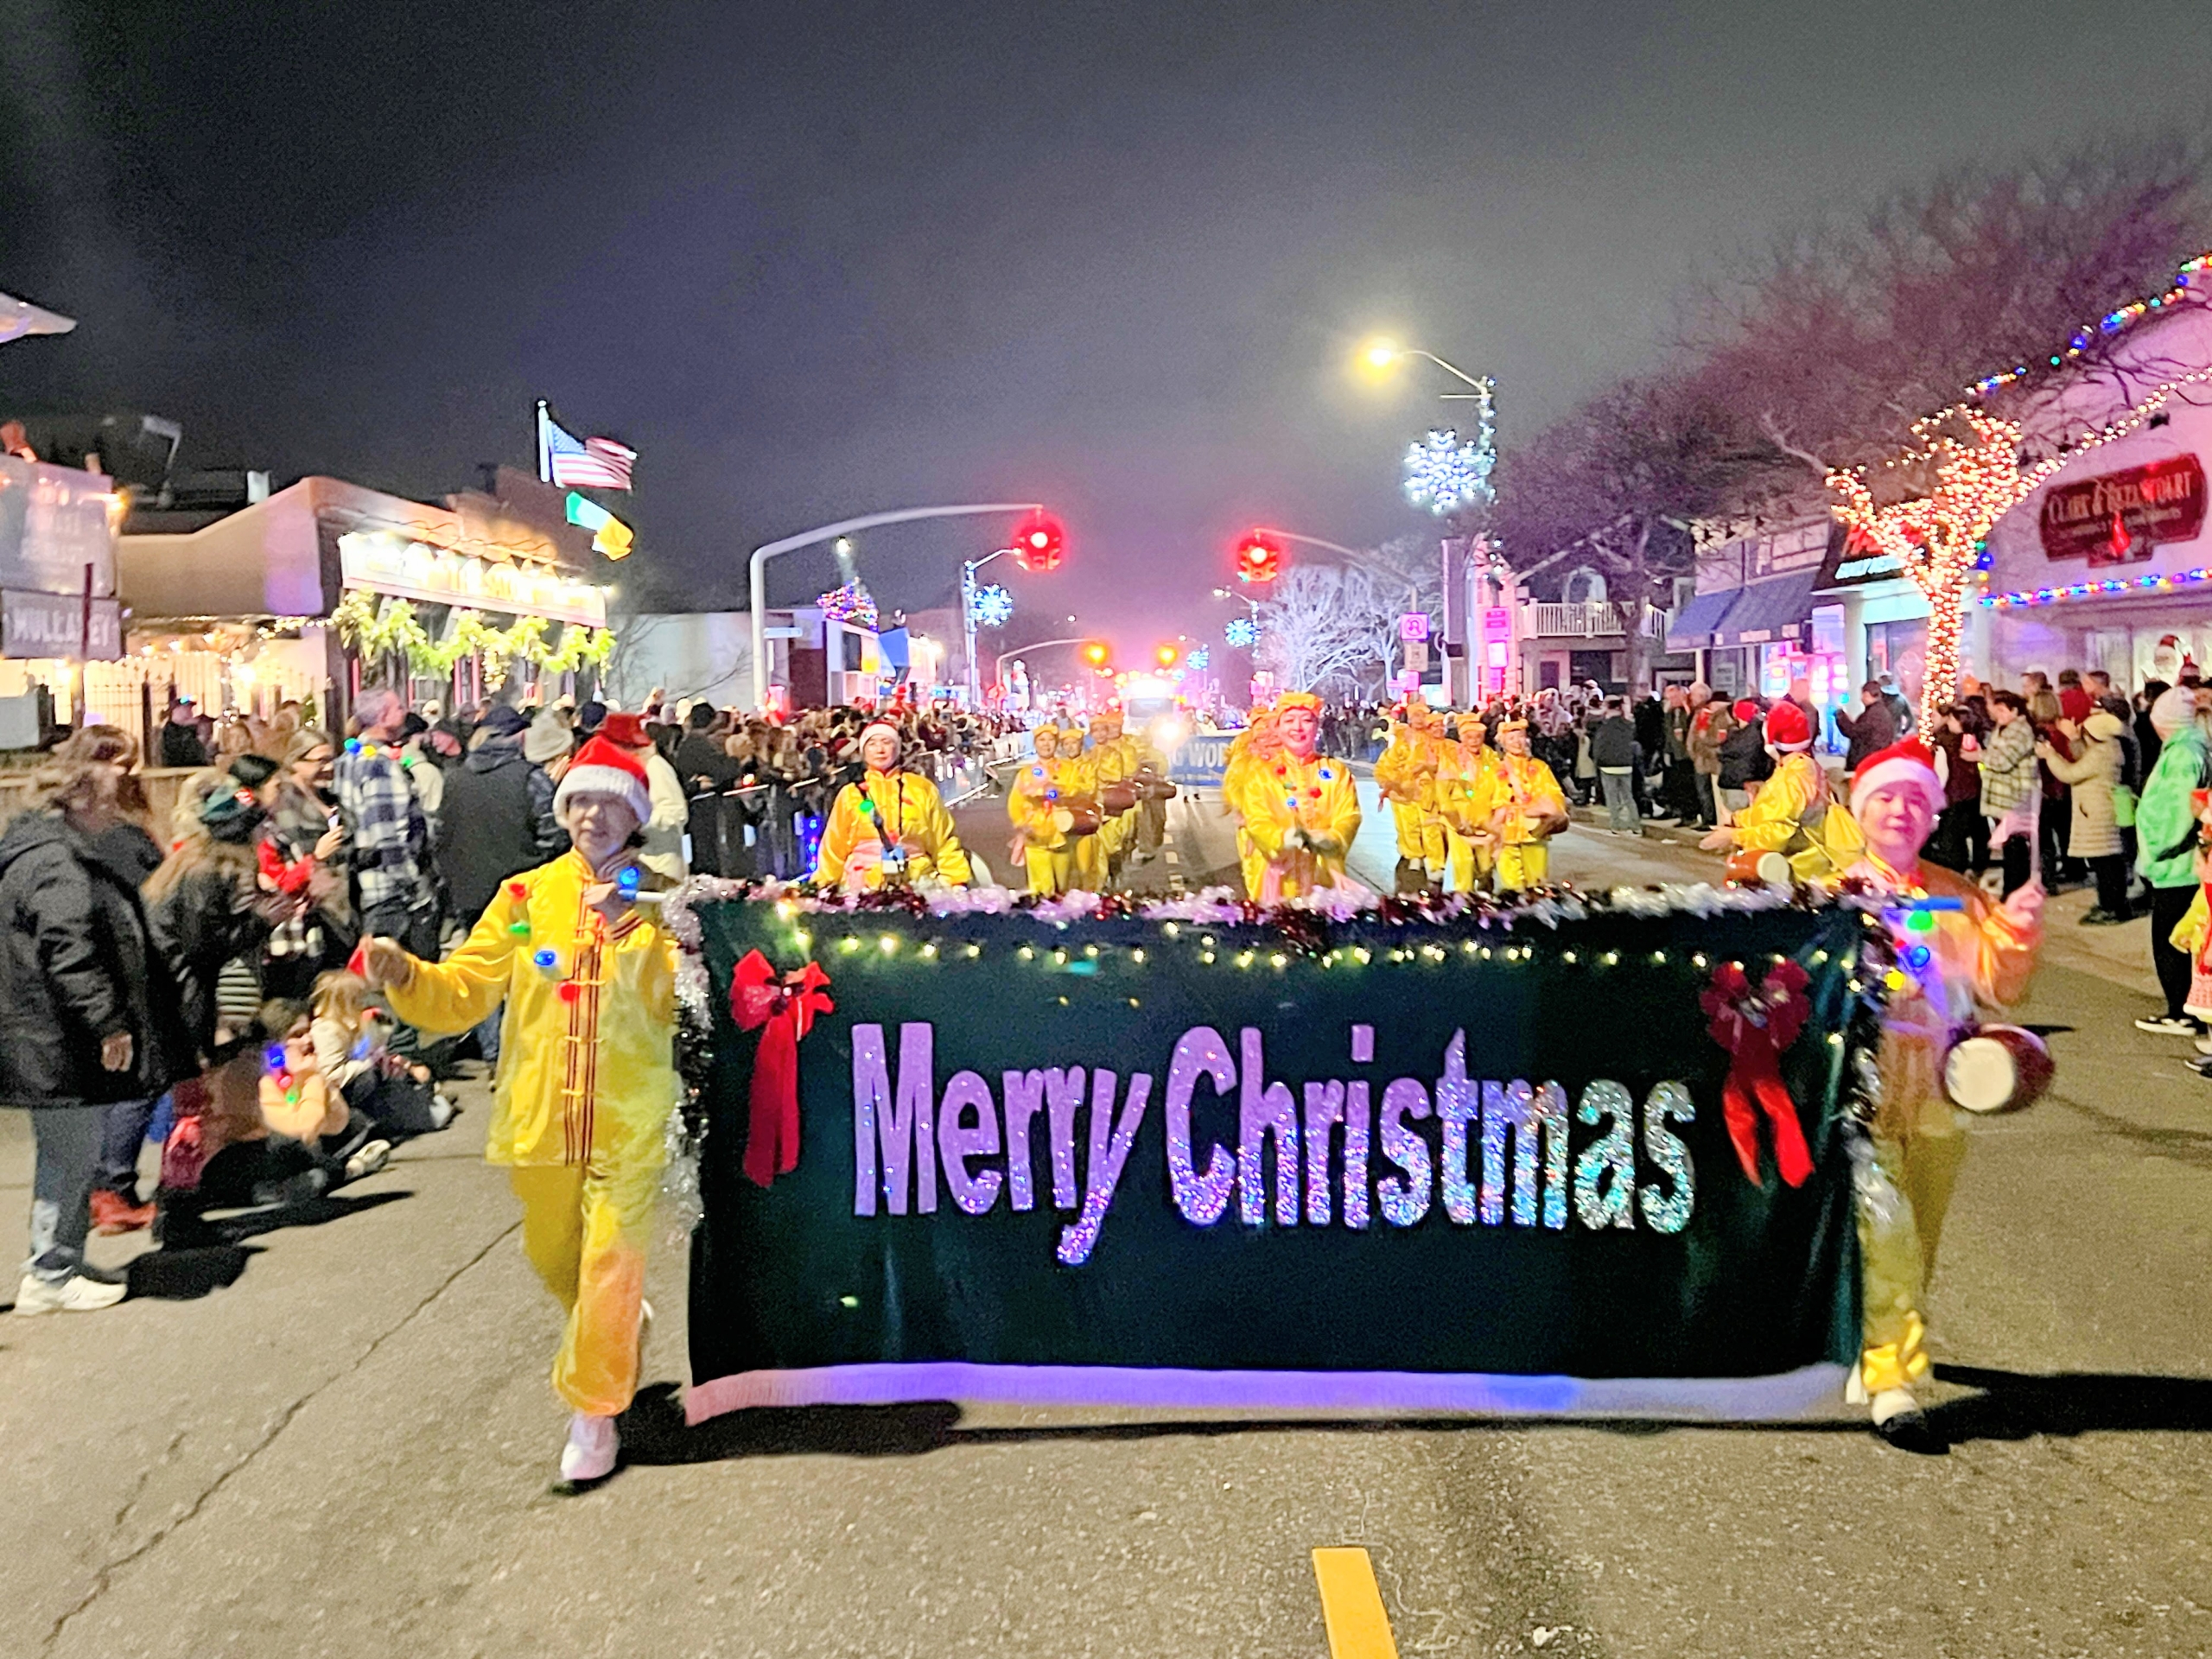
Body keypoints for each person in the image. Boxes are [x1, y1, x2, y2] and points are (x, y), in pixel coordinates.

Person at [359, 734, 680, 1484]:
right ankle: (614, 1331)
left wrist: (632, 922)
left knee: (609, 1262)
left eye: (609, 803)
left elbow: (676, 998)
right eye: (581, 801)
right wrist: (403, 971)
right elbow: (465, 991)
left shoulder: (666, 894)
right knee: (555, 1259)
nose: (593, 817)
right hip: (540, 1119)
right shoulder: (525, 897)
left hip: (629, 1118)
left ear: (634, 815)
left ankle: (593, 1415)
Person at [1840, 741, 2041, 1449]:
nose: (1901, 811)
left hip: (1939, 1090)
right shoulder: (1830, 895)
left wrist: (2018, 927)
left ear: (1931, 817)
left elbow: (1999, 985)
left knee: (1919, 1236)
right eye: (1887, 799)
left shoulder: (1959, 893)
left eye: (1916, 801)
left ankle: (1875, 1340)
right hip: (1860, 1093)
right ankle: (1893, 1379)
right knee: (1884, 1232)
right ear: (1862, 811)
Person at [0, 753, 195, 1312]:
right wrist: (108, 1022)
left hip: (49, 1035)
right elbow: (69, 951)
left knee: (68, 1155)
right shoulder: (56, 863)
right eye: (110, 797)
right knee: (70, 1156)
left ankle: (59, 1259)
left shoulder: (42, 852)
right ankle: (51, 1271)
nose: (118, 807)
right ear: (79, 800)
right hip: (55, 1039)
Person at [1699, 702, 1861, 880]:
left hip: (1797, 874)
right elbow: (1772, 813)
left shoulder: (1790, 779)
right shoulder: (1805, 766)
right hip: (1813, 866)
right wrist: (1737, 819)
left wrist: (1734, 836)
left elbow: (1778, 833)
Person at [334, 688, 439, 959]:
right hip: (389, 895)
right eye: (399, 708)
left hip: (360, 886)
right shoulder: (379, 765)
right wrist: (416, 891)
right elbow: (389, 836)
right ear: (382, 717)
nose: (405, 712)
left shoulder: (349, 758)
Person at [2132, 687, 2212, 1037]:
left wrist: (2157, 849)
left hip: (2176, 866)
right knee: (2179, 938)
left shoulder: (2183, 754)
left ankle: (2182, 1011)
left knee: (2172, 941)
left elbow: (2175, 811)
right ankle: (2186, 1009)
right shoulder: (2186, 748)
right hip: (2178, 864)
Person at [812, 720, 974, 891]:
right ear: (864, 751)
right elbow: (834, 845)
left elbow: (943, 839)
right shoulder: (851, 793)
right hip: (862, 886)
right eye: (872, 744)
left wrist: (956, 879)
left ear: (896, 748)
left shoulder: (921, 788)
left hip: (917, 884)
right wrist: (825, 884)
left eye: (886, 742)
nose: (880, 750)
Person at [1232, 691, 1361, 899]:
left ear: (1316, 727)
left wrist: (1333, 838)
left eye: (1306, 720)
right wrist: (1281, 838)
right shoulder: (1262, 773)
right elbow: (1257, 818)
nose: (1298, 728)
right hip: (1277, 881)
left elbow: (1350, 815)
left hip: (1323, 880)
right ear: (1279, 727)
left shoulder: (1336, 772)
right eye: (1289, 720)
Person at [310, 970, 454, 1137]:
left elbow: (367, 1049)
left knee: (410, 1075)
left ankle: (424, 1102)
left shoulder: (351, 1022)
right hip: (350, 1090)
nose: (363, 1002)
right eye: (358, 998)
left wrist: (380, 1053)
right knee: (374, 1080)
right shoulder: (326, 1030)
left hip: (369, 1077)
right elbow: (333, 1074)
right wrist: (371, 1061)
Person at [2039, 709, 2130, 924]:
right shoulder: (2108, 748)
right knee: (2107, 862)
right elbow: (2083, 756)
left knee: (2104, 864)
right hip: (2099, 810)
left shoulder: (2100, 754)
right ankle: (2113, 904)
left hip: (2096, 812)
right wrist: (2073, 739)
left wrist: (2050, 755)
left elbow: (2070, 773)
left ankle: (2112, 907)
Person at [1475, 717, 1567, 892]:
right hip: (1505, 834)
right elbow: (1481, 801)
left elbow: (1555, 794)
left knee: (1537, 882)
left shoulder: (1541, 768)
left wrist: (1544, 809)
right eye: (1511, 738)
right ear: (1503, 743)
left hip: (1534, 831)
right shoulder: (1494, 771)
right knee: (1511, 885)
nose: (1517, 742)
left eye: (1521, 737)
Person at [1008, 725, 1086, 897]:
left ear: (1056, 743)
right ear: (1035, 744)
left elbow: (1078, 791)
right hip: (1035, 835)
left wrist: (1056, 791)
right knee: (1041, 889)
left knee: (1065, 887)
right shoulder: (1025, 773)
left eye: (1050, 740)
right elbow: (1016, 802)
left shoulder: (1068, 768)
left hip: (1063, 834)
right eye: (1041, 740)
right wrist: (1022, 824)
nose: (1046, 744)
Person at [1976, 690, 2040, 898]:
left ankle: (2015, 887)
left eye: (2002, 710)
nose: (1998, 714)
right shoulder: (2003, 728)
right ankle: (2013, 885)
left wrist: (1981, 756)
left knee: (2015, 843)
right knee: (2010, 842)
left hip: (2015, 793)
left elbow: (2004, 760)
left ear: (2014, 710)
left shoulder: (2020, 731)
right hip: (2004, 793)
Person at [1589, 696, 1639, 836]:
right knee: (1628, 796)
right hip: (1626, 763)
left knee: (1612, 797)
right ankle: (1635, 825)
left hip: (1608, 765)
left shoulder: (1604, 726)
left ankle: (1616, 825)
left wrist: (1597, 761)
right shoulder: (1629, 724)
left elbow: (1599, 746)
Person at [1834, 681, 1900, 776]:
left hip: (1867, 762)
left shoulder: (1873, 714)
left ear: (1866, 694)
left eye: (1862, 695)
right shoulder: (1881, 712)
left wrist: (1841, 716)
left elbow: (1853, 732)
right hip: (1877, 761)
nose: (1861, 699)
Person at [159, 696, 209, 769]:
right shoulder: (171, 730)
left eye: (190, 708)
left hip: (195, 765)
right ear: (176, 711)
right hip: (177, 766)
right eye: (186, 708)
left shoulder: (196, 725)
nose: (189, 711)